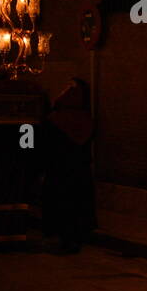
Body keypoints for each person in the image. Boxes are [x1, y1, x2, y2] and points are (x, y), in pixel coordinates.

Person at [39, 78, 97, 254]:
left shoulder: (55, 120)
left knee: (61, 205)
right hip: (81, 171)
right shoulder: (87, 120)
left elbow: (45, 146)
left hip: (59, 171)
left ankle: (64, 239)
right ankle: (75, 239)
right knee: (78, 206)